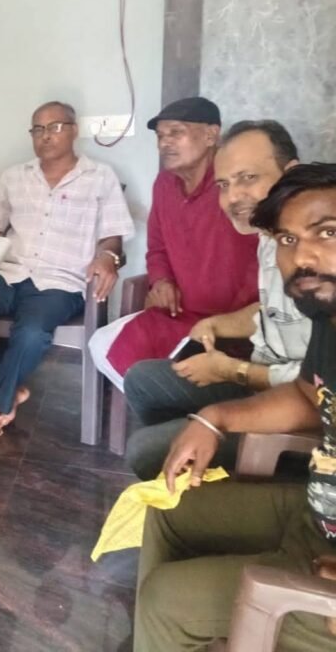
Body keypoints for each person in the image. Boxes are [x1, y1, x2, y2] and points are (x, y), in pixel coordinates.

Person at [133, 162, 336, 651]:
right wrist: (214, 420)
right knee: (163, 508)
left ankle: (165, 630)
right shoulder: (328, 318)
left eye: (327, 232)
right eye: (288, 240)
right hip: (315, 514)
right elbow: (309, 397)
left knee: (165, 601)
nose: (302, 256)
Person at [123, 121, 310, 479]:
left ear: (291, 173)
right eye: (223, 185)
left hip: (299, 412)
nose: (233, 197)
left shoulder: (315, 255)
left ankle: (235, 473)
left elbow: (317, 384)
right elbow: (273, 311)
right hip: (258, 381)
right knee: (142, 380)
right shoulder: (269, 236)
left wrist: (230, 371)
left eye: (248, 178)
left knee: (144, 449)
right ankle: (198, 471)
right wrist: (216, 324)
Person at [0, 101, 134, 435]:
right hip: (9, 272)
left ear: (74, 130)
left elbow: (113, 237)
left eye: (55, 127)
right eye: (38, 129)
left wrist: (108, 257)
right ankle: (9, 393)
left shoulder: (100, 177)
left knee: (32, 333)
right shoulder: (14, 177)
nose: (45, 135)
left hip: (60, 282)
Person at [88, 97, 259, 390]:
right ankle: (161, 405)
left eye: (176, 132)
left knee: (175, 373)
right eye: (160, 136)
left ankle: (173, 405)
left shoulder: (235, 187)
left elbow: (261, 256)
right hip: (179, 312)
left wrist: (234, 319)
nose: (164, 143)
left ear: (211, 135)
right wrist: (161, 280)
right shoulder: (164, 183)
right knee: (101, 345)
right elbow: (157, 247)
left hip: (233, 321)